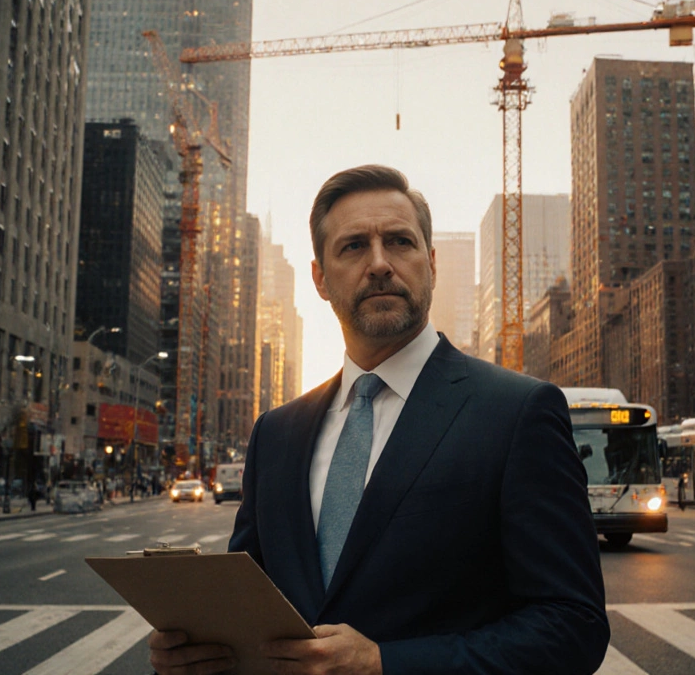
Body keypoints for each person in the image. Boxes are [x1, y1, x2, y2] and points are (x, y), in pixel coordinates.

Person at [149, 165, 609, 674]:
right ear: (320, 279)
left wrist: (385, 664)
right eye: (353, 247)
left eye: (399, 242)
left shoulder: (519, 411)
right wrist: (197, 651)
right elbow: (248, 607)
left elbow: (575, 625)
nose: (380, 264)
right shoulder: (275, 434)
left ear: (431, 263)